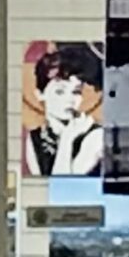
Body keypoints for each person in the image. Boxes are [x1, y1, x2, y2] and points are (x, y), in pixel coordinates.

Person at [25, 43, 104, 178]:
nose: (70, 99)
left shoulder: (95, 135)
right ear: (40, 94)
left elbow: (64, 186)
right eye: (60, 92)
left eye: (76, 92)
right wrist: (67, 137)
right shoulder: (35, 137)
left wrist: (67, 139)